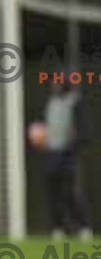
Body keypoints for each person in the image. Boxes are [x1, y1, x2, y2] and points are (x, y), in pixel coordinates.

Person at [29, 79, 92, 239]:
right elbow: (46, 127)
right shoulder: (51, 102)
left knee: (70, 191)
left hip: (67, 155)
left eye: (58, 82)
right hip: (51, 153)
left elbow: (84, 132)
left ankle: (83, 227)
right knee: (52, 192)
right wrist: (40, 135)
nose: (54, 85)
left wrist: (72, 146)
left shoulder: (75, 103)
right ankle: (58, 228)